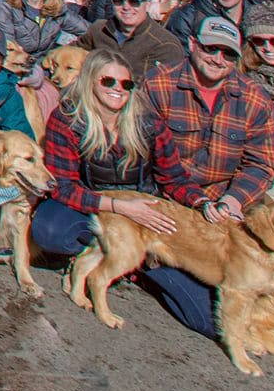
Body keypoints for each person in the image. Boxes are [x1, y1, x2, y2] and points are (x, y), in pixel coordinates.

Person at [138, 17, 274, 337]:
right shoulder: (159, 84)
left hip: (224, 206)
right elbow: (141, 155)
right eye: (210, 48)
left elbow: (262, 164)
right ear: (192, 45)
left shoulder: (256, 99)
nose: (218, 58)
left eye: (227, 53)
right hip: (170, 200)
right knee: (208, 320)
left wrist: (233, 201)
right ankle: (151, 267)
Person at [32, 50, 202, 264]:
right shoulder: (67, 119)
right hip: (93, 205)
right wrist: (120, 207)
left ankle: (128, 256)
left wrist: (202, 202)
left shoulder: (149, 122)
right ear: (90, 81)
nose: (118, 89)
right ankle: (110, 255)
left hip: (142, 206)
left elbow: (173, 177)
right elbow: (62, 187)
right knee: (50, 230)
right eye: (108, 81)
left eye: (126, 84)